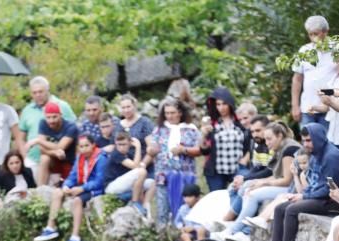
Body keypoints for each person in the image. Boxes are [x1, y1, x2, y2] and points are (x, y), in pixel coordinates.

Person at [258, 123, 339, 241]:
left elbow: (327, 188)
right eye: (304, 140)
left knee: (291, 209)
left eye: (309, 140)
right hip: (319, 196)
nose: (305, 144)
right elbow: (314, 183)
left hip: (335, 201)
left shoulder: (331, 156)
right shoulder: (315, 153)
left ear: (319, 138)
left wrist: (304, 197)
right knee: (280, 208)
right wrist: (302, 194)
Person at [223, 122, 300, 240]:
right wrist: (258, 181)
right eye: (266, 139)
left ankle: (236, 231)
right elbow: (276, 175)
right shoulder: (281, 147)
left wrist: (263, 183)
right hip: (287, 186)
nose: (267, 143)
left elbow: (287, 181)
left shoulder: (289, 149)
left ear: (279, 136)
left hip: (293, 189)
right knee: (249, 187)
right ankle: (242, 231)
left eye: (269, 139)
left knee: (252, 195)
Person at [34, 133, 105, 241]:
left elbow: (100, 181)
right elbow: (73, 176)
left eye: (86, 146)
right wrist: (67, 185)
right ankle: (51, 227)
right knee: (57, 192)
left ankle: (75, 237)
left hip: (94, 189)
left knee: (77, 201)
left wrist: (82, 188)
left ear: (93, 145)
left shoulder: (101, 158)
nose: (84, 149)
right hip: (81, 187)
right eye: (81, 146)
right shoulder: (80, 158)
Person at [143, 98, 202, 226]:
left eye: (172, 112)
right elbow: (152, 146)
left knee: (184, 204)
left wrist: (183, 150)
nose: (169, 116)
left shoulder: (190, 129)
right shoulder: (159, 129)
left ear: (180, 112)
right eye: (167, 113)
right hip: (163, 172)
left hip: (185, 173)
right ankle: (162, 233)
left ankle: (184, 230)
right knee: (162, 203)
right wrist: (151, 150)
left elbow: (199, 150)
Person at [18, 76, 76, 170]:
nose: (38, 95)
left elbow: (74, 131)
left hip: (58, 160)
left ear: (47, 90)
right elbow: (20, 138)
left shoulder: (62, 106)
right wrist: (25, 157)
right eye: (34, 92)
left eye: (41, 91)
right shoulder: (27, 110)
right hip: (32, 160)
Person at [291, 15, 337, 126]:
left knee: (327, 142)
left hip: (331, 107)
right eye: (310, 34)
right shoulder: (304, 50)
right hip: (308, 108)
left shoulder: (337, 49)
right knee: (307, 141)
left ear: (325, 32)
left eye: (316, 34)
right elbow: (297, 79)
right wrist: (295, 105)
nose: (313, 38)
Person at [200, 87, 248, 192]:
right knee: (217, 200)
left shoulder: (240, 122)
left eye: (224, 104)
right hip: (216, 170)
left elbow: (250, 144)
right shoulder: (212, 124)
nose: (221, 108)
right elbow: (204, 150)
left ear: (230, 104)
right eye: (218, 104)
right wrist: (203, 135)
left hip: (237, 168)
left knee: (238, 198)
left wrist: (246, 158)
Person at [30, 101, 79, 186]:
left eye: (54, 117)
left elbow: (60, 147)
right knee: (44, 158)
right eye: (48, 117)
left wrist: (39, 141)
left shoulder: (71, 127)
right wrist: (53, 153)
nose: (51, 121)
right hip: (54, 160)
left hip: (68, 161)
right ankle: (40, 190)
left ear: (60, 115)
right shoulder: (43, 123)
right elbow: (41, 149)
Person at [102, 131, 150, 214]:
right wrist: (138, 147)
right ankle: (134, 202)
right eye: (119, 144)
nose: (121, 147)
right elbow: (135, 166)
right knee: (142, 172)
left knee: (152, 183)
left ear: (130, 144)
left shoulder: (128, 154)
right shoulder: (115, 154)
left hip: (123, 185)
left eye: (124, 144)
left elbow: (138, 166)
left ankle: (145, 206)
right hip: (111, 186)